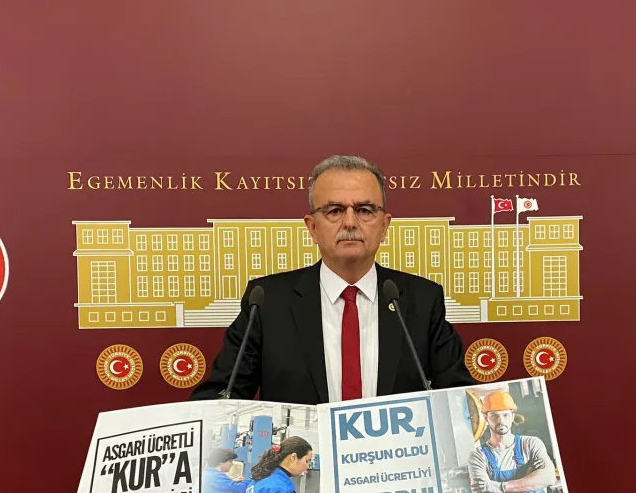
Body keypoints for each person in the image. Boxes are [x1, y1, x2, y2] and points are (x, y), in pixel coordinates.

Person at [190, 154, 474, 404]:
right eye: (335, 211)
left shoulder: (422, 300)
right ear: (312, 228)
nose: (350, 222)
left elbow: (461, 401)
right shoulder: (267, 302)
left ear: (384, 226)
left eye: (364, 210)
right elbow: (219, 400)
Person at [467, 391, 561, 493]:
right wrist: (531, 484)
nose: (500, 420)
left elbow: (549, 478)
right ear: (486, 418)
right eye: (494, 416)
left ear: (512, 416)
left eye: (505, 415)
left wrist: (499, 487)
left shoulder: (530, 444)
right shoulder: (478, 456)